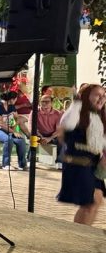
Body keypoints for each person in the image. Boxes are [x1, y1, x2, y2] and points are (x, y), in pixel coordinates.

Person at [56, 83, 106, 225]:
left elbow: (100, 140)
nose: (102, 98)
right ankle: (80, 235)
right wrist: (77, 103)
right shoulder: (76, 112)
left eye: (104, 96)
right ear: (86, 96)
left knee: (96, 201)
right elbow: (68, 125)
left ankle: (83, 234)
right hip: (78, 163)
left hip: (93, 163)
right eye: (98, 95)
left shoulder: (97, 117)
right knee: (89, 204)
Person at [0, 91, 29, 170]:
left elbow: (17, 118)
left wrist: (15, 128)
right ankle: (6, 164)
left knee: (21, 140)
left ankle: (22, 165)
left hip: (6, 129)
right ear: (12, 99)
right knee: (8, 139)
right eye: (15, 99)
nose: (15, 101)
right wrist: (14, 132)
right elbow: (0, 123)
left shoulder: (11, 107)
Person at [36, 93, 64, 168]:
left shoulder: (58, 113)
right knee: (33, 137)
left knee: (62, 139)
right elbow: (31, 127)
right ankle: (30, 159)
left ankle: (59, 161)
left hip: (52, 135)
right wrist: (41, 137)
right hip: (39, 134)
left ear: (52, 103)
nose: (44, 103)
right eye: (42, 101)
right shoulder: (35, 112)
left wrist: (50, 138)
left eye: (47, 101)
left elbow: (59, 129)